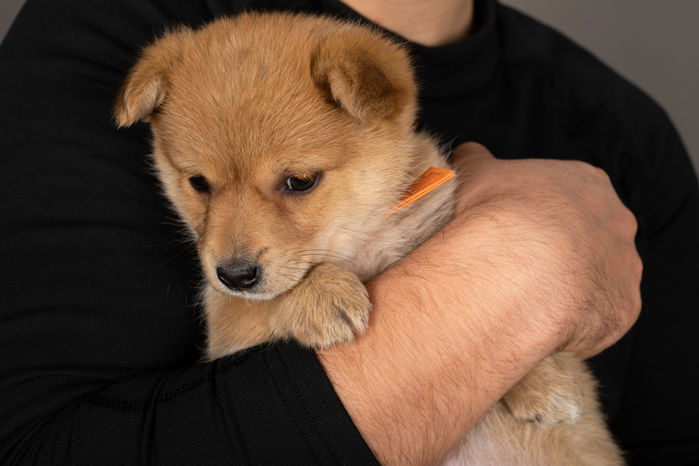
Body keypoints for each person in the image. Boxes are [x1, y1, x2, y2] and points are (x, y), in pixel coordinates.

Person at [0, 0, 695, 464]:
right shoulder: (98, 32)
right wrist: (508, 272)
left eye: (296, 182)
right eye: (200, 185)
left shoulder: (623, 130)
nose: (232, 243)